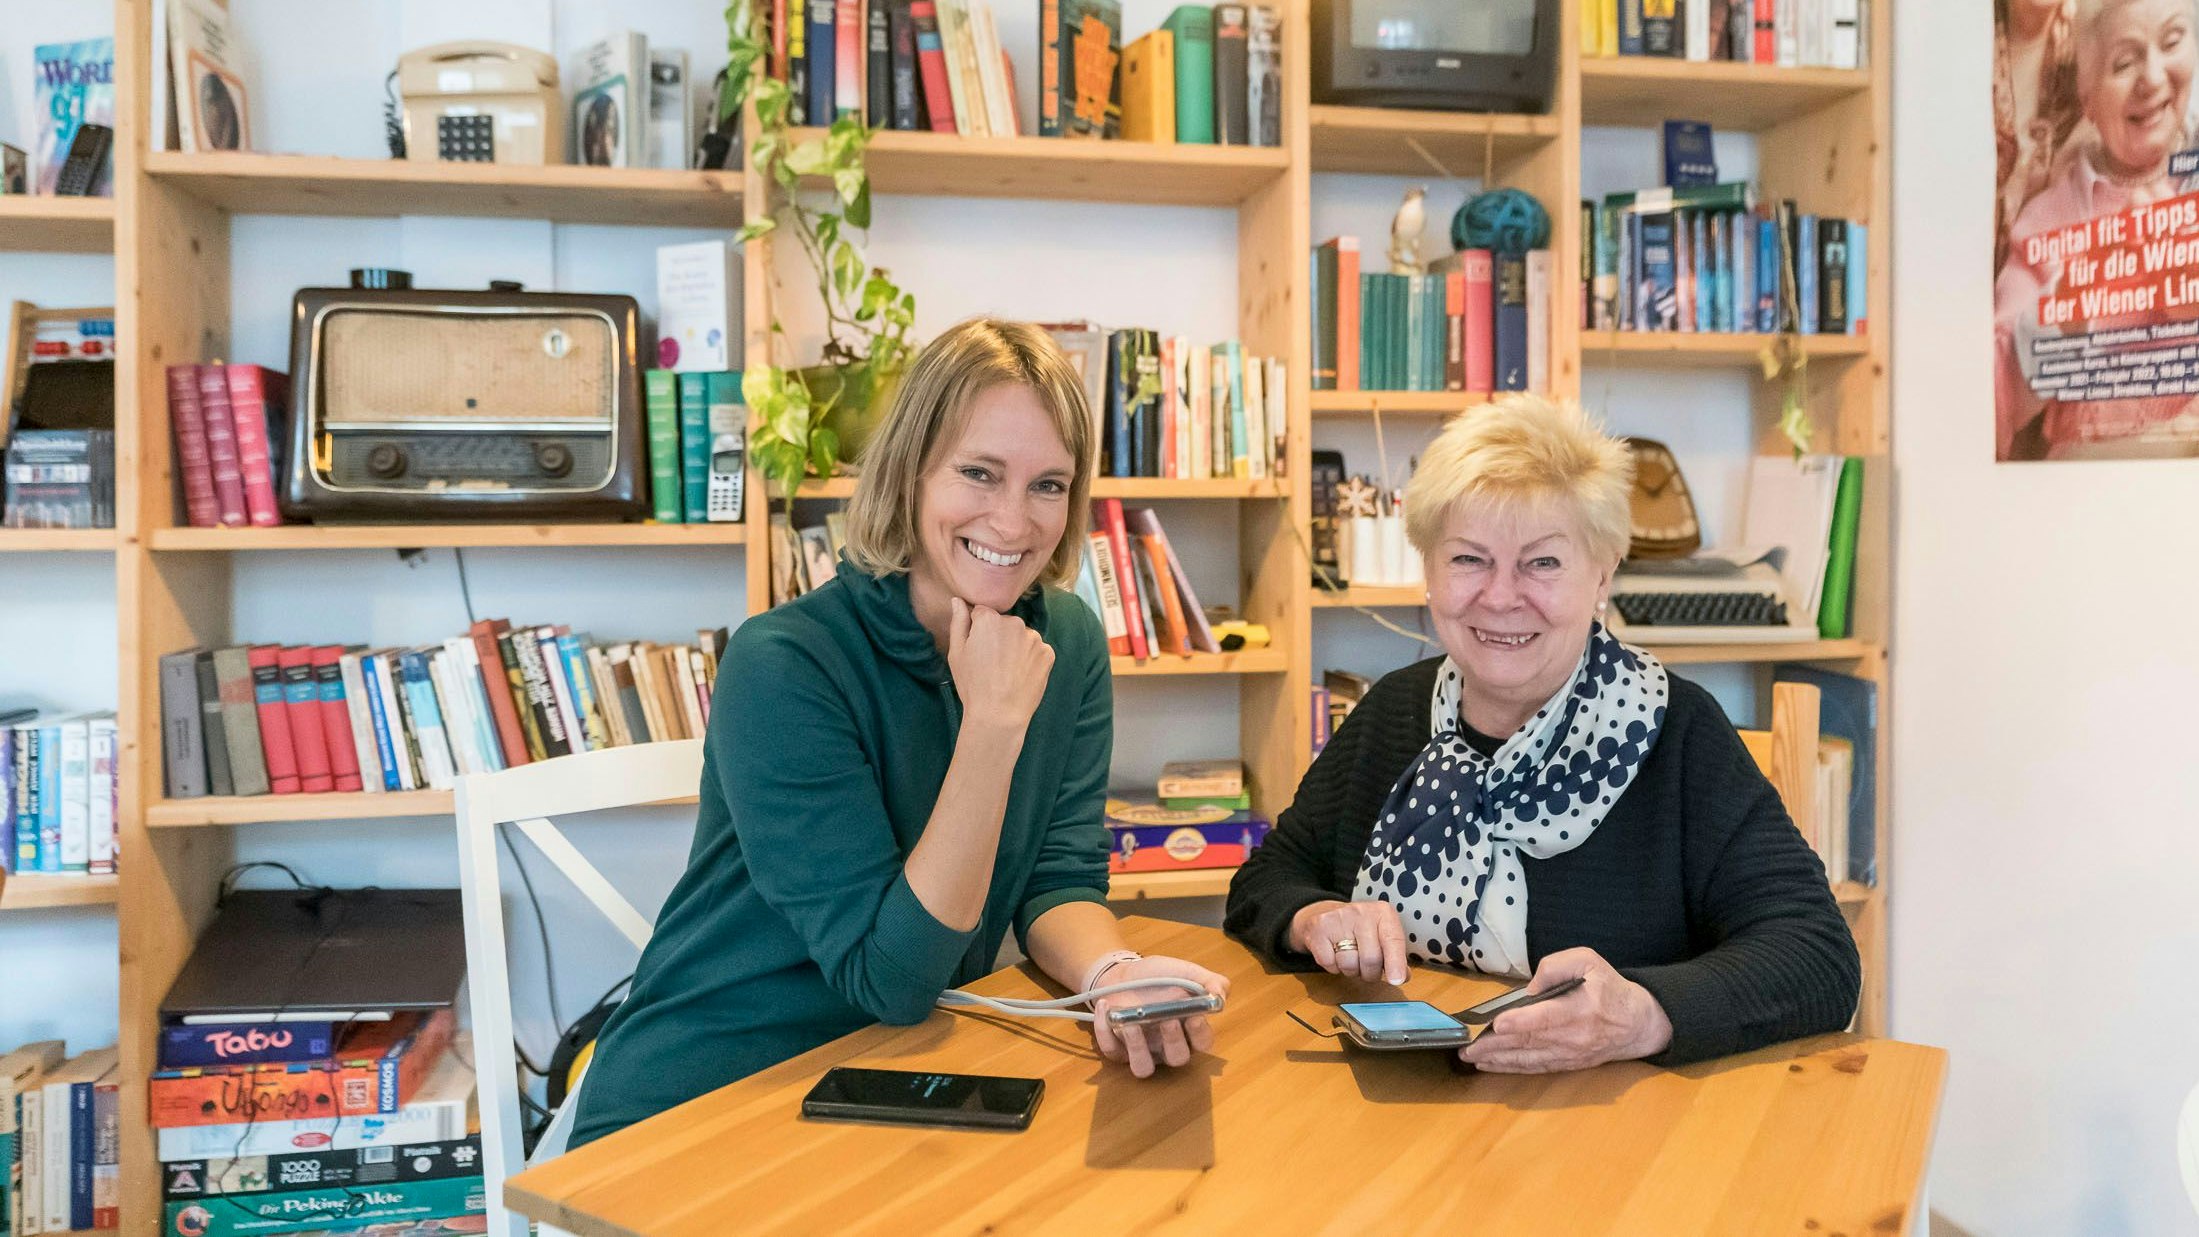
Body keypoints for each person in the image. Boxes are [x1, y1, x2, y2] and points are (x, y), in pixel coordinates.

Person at [571, 319, 1228, 1146]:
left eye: (1048, 485)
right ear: (910, 472)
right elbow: (890, 977)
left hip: (897, 1075)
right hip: (706, 1096)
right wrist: (991, 725)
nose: (1013, 521)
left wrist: (1112, 972)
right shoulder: (783, 662)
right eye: (978, 473)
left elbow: (1056, 878)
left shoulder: (1065, 641)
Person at [1225, 395, 1860, 1073]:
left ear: (1602, 573)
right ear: (1428, 571)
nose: (1501, 596)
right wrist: (1314, 917)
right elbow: (1268, 879)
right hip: (1406, 1105)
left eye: (1543, 563)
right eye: (1468, 559)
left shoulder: (1677, 731)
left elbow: (1817, 957)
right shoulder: (1393, 712)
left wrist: (1642, 1014)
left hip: (1609, 1116)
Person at [1994, 0, 2199, 459]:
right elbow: (1987, 406)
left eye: (2172, 42)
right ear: (2086, 101)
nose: (2152, 77)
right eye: (2124, 63)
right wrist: (2068, 307)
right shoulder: (2050, 218)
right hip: (2082, 488)